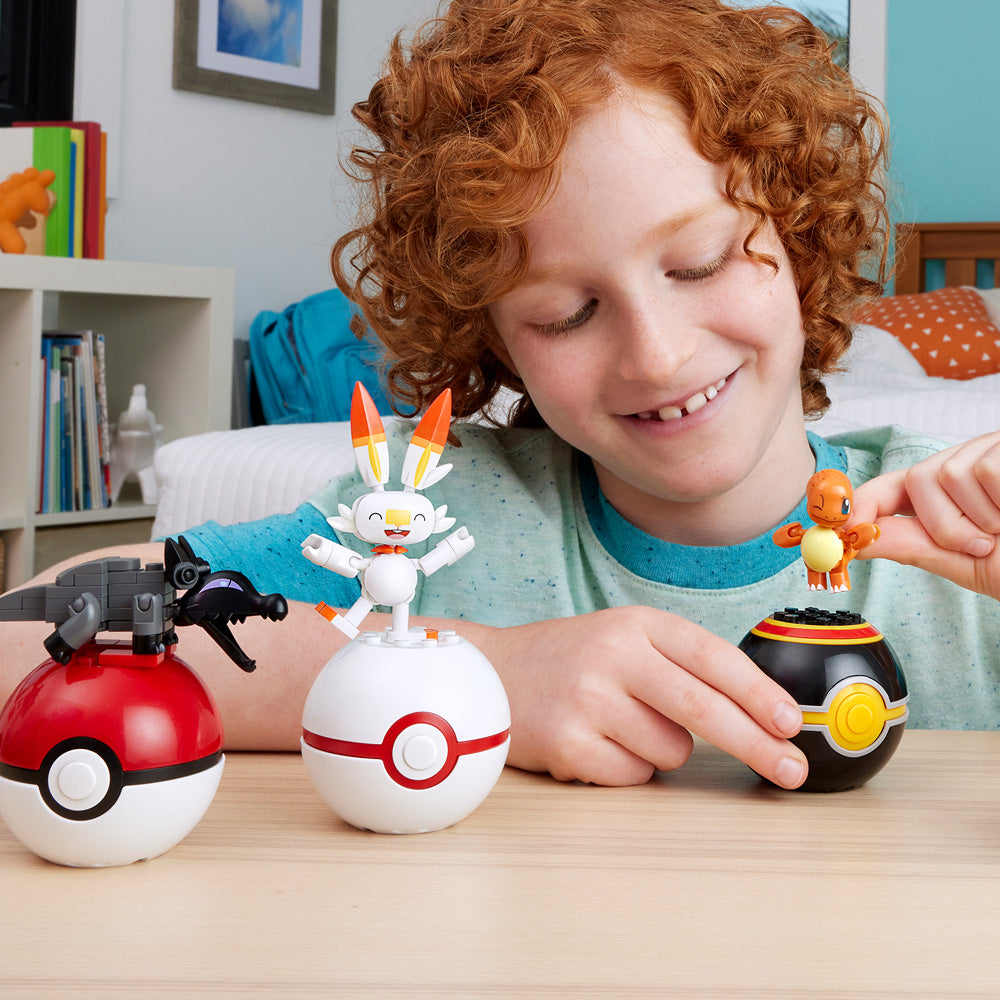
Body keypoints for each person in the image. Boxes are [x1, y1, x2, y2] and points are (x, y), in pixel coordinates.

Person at [3, 0, 999, 790]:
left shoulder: (967, 546)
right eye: (566, 315)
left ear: (799, 237)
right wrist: (481, 676)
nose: (656, 356)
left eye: (699, 263)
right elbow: (23, 642)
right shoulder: (426, 518)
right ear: (494, 344)